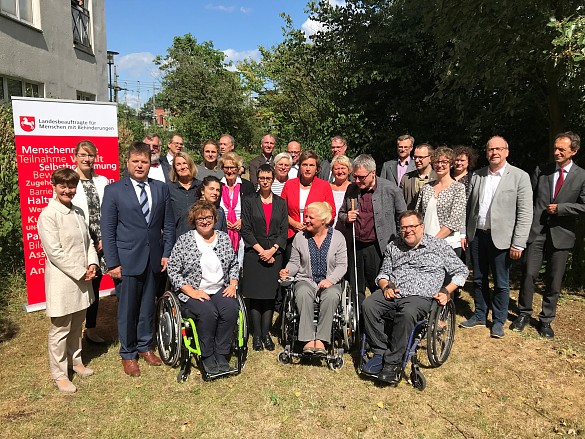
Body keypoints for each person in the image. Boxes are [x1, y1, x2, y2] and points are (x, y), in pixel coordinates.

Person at [361, 211, 468, 385]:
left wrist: (447, 291)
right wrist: (385, 286)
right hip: (394, 292)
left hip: (420, 297)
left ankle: (392, 363)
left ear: (421, 227)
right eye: (404, 227)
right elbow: (384, 273)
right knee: (369, 305)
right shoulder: (394, 247)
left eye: (412, 226)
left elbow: (461, 271)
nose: (408, 231)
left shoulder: (437, 246)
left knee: (407, 313)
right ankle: (380, 351)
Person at [101, 141, 176, 377]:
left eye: (144, 161)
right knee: (127, 309)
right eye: (136, 161)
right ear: (128, 163)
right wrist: (112, 263)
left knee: (147, 307)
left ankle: (145, 346)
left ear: (150, 163)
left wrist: (166, 253)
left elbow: (169, 224)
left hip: (154, 258)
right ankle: (128, 353)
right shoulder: (113, 191)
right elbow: (108, 229)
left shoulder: (160, 188)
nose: (140, 165)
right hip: (127, 260)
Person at [511, 132, 585, 338]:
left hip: (562, 235)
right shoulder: (541, 171)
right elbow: (527, 200)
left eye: (562, 149)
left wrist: (562, 209)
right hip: (536, 232)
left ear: (574, 151)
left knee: (554, 279)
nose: (556, 152)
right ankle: (524, 313)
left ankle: (546, 320)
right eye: (555, 148)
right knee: (529, 274)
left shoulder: (581, 176)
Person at [461, 136, 533, 338]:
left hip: (503, 240)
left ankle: (498, 321)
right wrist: (466, 233)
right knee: (478, 279)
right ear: (486, 153)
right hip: (478, 237)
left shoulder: (520, 177)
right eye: (491, 149)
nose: (494, 153)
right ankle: (480, 315)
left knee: (501, 283)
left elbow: (525, 213)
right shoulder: (477, 176)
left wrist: (518, 243)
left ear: (506, 152)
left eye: (498, 149)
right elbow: (469, 208)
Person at [38, 167, 99, 393]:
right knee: (60, 329)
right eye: (63, 186)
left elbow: (88, 243)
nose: (67, 190)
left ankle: (77, 362)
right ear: (54, 186)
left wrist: (92, 263)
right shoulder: (48, 215)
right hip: (63, 280)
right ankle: (60, 374)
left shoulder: (79, 212)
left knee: (77, 325)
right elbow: (55, 252)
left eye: (71, 186)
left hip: (83, 278)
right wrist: (80, 271)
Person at [167, 200, 240, 374]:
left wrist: (233, 283)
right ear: (193, 221)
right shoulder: (185, 240)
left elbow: (233, 264)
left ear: (215, 218)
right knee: (208, 313)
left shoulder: (223, 237)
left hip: (220, 288)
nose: (205, 221)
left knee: (230, 308)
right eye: (200, 219)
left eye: (208, 217)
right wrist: (191, 291)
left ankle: (221, 353)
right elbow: (173, 269)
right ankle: (206, 355)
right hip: (195, 291)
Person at [279, 202, 348, 354]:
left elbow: (342, 265)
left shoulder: (338, 238)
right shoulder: (300, 237)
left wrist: (330, 280)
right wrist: (287, 271)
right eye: (306, 216)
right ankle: (308, 339)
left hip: (330, 281)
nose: (306, 220)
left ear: (323, 220)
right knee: (302, 292)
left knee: (331, 296)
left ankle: (322, 340)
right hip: (306, 280)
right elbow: (295, 263)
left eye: (311, 217)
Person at [337, 154, 406, 302]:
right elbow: (341, 213)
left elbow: (403, 218)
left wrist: (398, 243)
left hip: (378, 247)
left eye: (361, 177)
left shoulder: (390, 190)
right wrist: (347, 218)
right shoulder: (352, 189)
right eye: (354, 176)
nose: (356, 180)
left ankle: (377, 319)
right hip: (356, 246)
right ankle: (359, 321)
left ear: (373, 173)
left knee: (378, 286)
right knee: (356, 288)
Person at [241, 164, 288, 351]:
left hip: (274, 255)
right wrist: (261, 250)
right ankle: (257, 336)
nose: (265, 181)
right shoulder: (249, 201)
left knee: (268, 296)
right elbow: (246, 229)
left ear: (273, 179)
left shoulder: (280, 203)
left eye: (268, 178)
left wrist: (272, 250)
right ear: (257, 179)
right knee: (255, 295)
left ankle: (266, 333)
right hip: (254, 253)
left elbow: (284, 231)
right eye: (262, 178)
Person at [72, 140, 108, 344]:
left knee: (95, 287)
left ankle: (91, 329)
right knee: (78, 289)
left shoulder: (102, 180)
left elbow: (107, 211)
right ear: (75, 156)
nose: (87, 159)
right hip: (79, 243)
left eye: (90, 155)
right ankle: (74, 332)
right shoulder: (69, 180)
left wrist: (103, 238)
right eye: (83, 155)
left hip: (101, 243)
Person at [281, 150, 336, 261]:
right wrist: (294, 223)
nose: (307, 168)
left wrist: (314, 224)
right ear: (299, 167)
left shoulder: (324, 186)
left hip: (316, 236)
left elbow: (331, 212)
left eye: (311, 165)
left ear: (317, 168)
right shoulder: (289, 184)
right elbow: (281, 210)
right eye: (304, 165)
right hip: (292, 234)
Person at [416, 146, 466, 257]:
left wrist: (433, 241)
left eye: (444, 162)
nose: (440, 165)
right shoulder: (426, 187)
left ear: (451, 164)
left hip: (449, 244)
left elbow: (454, 220)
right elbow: (418, 215)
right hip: (425, 244)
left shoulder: (458, 188)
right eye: (437, 162)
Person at [219, 151, 256, 266]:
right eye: (226, 167)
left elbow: (253, 208)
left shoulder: (247, 186)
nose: (229, 171)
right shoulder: (217, 185)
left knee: (239, 265)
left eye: (232, 167)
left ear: (238, 168)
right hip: (222, 230)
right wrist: (223, 221)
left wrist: (243, 221)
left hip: (241, 232)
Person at [167, 151, 201, 237]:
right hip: (176, 236)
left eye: (185, 163)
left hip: (199, 236)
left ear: (190, 165)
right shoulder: (168, 188)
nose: (182, 167)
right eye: (178, 164)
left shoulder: (201, 186)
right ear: (174, 168)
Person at [400, 143, 437, 209]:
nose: (417, 160)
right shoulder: (406, 178)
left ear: (430, 158)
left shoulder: (437, 178)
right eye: (415, 157)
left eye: (421, 157)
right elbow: (400, 203)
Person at [329, 155, 352, 227]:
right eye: (337, 169)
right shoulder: (327, 187)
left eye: (343, 168)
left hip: (347, 227)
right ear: (332, 171)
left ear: (349, 170)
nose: (340, 171)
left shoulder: (353, 188)